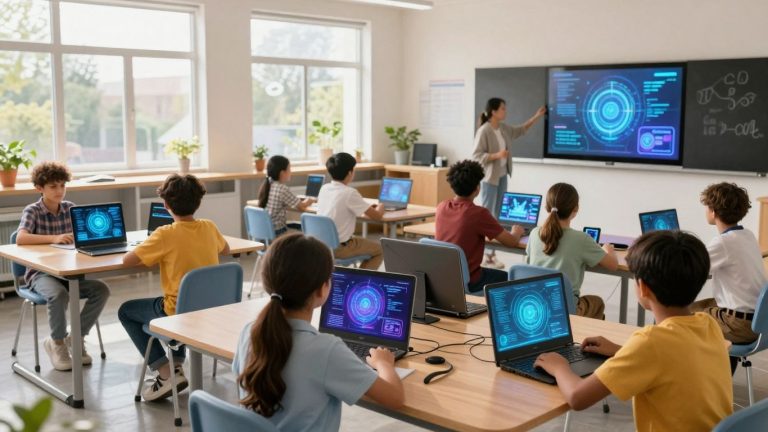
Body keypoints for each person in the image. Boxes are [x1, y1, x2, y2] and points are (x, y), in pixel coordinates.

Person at [534, 231, 733, 431]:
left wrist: (559, 367)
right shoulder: (708, 323)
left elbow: (577, 398)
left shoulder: (651, 342)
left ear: (643, 288)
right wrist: (622, 351)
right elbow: (671, 359)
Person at [233, 233, 404, 431]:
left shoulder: (249, 332)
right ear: (322, 289)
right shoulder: (326, 350)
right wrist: (383, 363)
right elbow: (395, 398)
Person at [118, 174, 230, 402]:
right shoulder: (210, 227)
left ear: (166, 205)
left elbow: (127, 261)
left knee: (126, 311)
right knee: (185, 300)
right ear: (198, 202)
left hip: (178, 314)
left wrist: (152, 247)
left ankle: (166, 372)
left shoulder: (164, 234)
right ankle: (176, 365)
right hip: (211, 311)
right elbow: (226, 249)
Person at [16, 161, 110, 371]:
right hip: (41, 274)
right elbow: (21, 238)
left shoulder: (70, 208)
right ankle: (57, 342)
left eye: (62, 185)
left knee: (101, 290)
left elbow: (82, 235)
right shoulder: (32, 211)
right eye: (53, 186)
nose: (59, 190)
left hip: (69, 273)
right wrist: (55, 238)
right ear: (39, 188)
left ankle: (75, 337)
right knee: (59, 295)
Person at [692, 182, 767, 371]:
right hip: (760, 320)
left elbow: (691, 269)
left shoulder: (723, 243)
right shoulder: (747, 235)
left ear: (713, 212)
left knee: (676, 318)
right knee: (693, 307)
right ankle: (723, 373)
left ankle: (698, 377)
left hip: (739, 325)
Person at [472, 98, 546, 269]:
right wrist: (496, 155)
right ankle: (486, 255)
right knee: (488, 216)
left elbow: (521, 130)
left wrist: (537, 116)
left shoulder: (503, 128)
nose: (505, 111)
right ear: (493, 111)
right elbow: (476, 156)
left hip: (502, 176)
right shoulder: (484, 131)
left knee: (498, 217)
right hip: (490, 178)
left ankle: (492, 255)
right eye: (503, 109)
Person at [526, 183, 617, 319]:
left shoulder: (534, 233)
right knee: (597, 302)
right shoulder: (581, 239)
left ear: (546, 207)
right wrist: (608, 250)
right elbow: (613, 265)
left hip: (535, 306)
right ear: (576, 208)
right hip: (566, 309)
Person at [436, 160, 524, 294]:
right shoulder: (478, 214)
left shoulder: (441, 207)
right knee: (511, 277)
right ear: (477, 188)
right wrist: (516, 232)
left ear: (452, 186)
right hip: (470, 281)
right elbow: (511, 242)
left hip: (444, 278)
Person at [317, 152, 384, 270]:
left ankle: (357, 277)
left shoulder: (324, 188)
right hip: (340, 248)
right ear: (349, 172)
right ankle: (360, 279)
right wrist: (381, 206)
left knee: (361, 241)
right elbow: (377, 216)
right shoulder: (349, 193)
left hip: (320, 245)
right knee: (380, 250)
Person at [257, 155, 314, 236]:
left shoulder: (268, 184)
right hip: (278, 232)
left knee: (296, 225)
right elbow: (301, 206)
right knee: (305, 228)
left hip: (266, 231)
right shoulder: (282, 188)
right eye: (289, 169)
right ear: (282, 173)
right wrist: (310, 200)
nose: (291, 172)